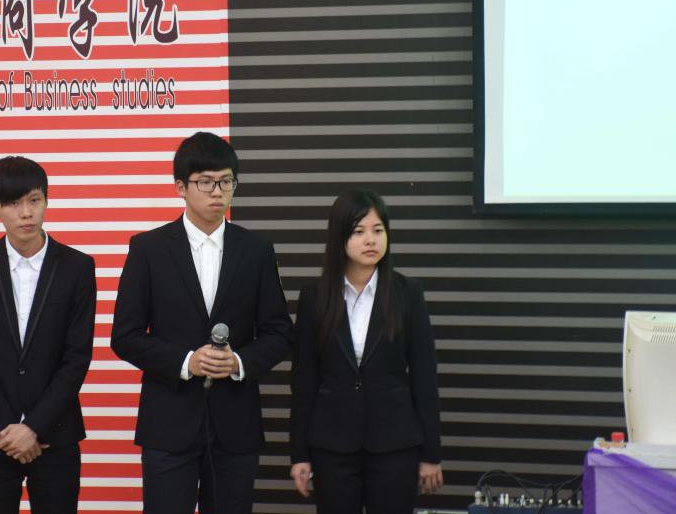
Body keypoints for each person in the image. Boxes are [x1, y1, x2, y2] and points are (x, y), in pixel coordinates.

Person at [111, 131, 294, 514]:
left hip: (235, 425)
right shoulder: (148, 249)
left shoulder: (257, 250)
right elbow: (125, 336)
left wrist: (238, 362)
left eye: (226, 181)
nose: (218, 192)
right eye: (206, 182)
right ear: (181, 187)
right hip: (168, 424)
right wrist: (186, 362)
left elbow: (279, 333)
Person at [0, 156, 96, 514]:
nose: (27, 213)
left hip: (56, 435)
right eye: (14, 204)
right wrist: (8, 428)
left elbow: (77, 357)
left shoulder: (78, 267)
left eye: (34, 200)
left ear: (46, 200)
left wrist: (34, 426)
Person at [289, 189, 442, 514]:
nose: (370, 240)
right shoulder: (314, 297)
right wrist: (299, 454)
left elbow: (425, 378)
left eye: (378, 230)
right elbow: (304, 380)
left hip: (395, 444)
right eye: (358, 231)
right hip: (332, 446)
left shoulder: (407, 293)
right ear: (339, 236)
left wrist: (431, 453)